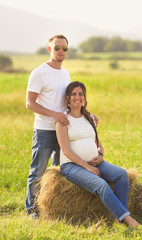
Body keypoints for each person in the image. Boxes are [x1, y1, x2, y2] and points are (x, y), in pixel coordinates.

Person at [55, 81, 141, 228]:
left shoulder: (89, 118)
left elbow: (97, 141)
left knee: (121, 175)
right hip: (72, 166)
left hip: (96, 162)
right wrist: (86, 166)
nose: (77, 97)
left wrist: (100, 154)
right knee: (101, 185)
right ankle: (128, 219)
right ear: (68, 98)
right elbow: (65, 150)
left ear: (85, 97)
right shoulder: (62, 120)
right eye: (74, 94)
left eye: (81, 94)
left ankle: (118, 220)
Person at [25, 34, 71, 218]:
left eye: (64, 48)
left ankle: (52, 208)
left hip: (62, 130)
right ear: (49, 49)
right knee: (37, 173)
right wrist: (54, 115)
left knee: (60, 172)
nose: (61, 51)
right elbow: (30, 103)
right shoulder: (39, 73)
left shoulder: (65, 73)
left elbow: (66, 102)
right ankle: (32, 211)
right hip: (44, 130)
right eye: (57, 47)